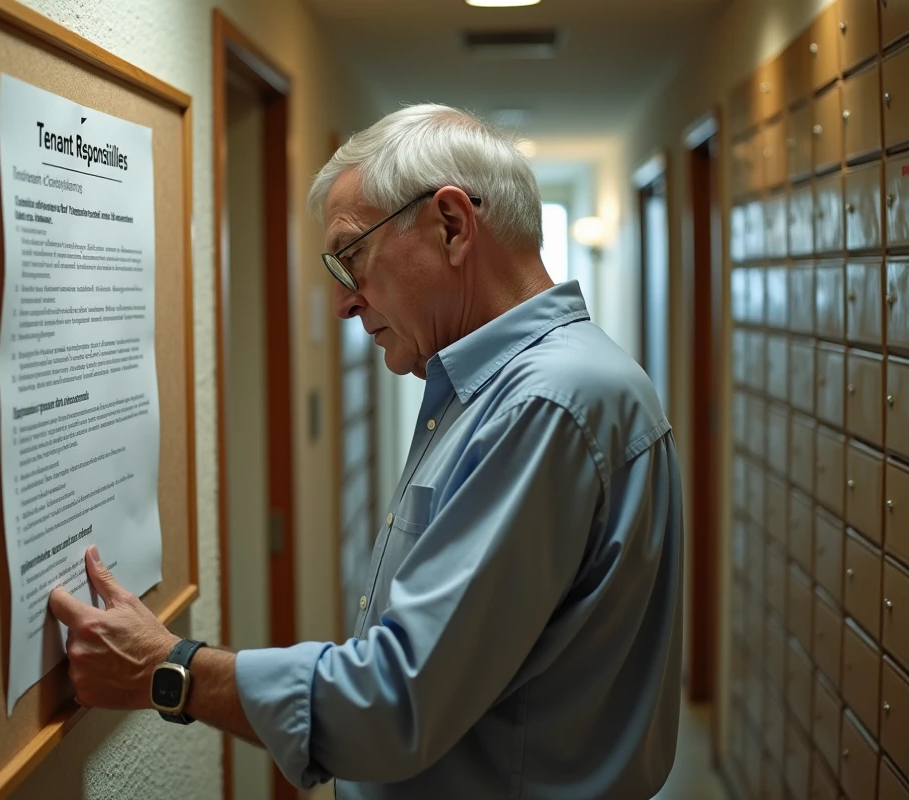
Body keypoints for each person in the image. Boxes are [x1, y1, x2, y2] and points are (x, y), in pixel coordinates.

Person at [49, 103, 684, 799]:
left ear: (452, 226)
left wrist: (169, 670)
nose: (343, 304)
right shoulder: (504, 391)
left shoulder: (546, 404)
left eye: (352, 256)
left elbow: (394, 703)